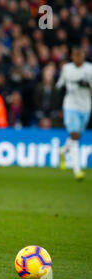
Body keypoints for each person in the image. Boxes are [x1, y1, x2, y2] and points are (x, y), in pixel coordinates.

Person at [56, 47, 92, 181]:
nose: (78, 58)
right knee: (75, 135)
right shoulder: (66, 69)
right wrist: (58, 105)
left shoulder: (89, 70)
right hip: (70, 106)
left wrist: (87, 86)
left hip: (86, 107)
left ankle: (63, 150)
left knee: (77, 136)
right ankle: (77, 171)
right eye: (75, 56)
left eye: (80, 55)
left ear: (84, 56)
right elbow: (60, 85)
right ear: (72, 56)